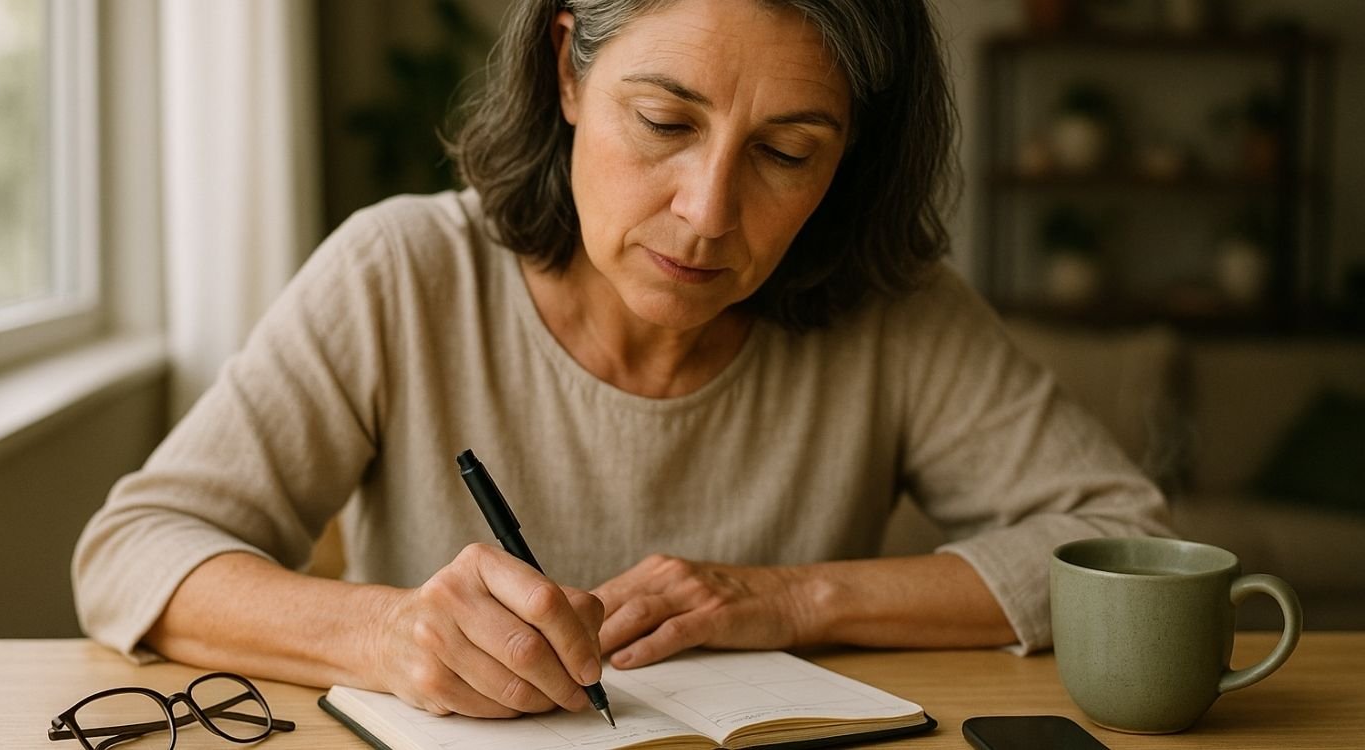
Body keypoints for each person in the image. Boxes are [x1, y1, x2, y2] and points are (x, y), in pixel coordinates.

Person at [74, 0, 1171, 722]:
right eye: (660, 121)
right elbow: (132, 550)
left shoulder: (895, 314)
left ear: (848, 164)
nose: (705, 215)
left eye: (787, 154)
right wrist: (384, 630)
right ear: (565, 71)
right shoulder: (403, 272)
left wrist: (794, 601)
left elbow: (1123, 543)